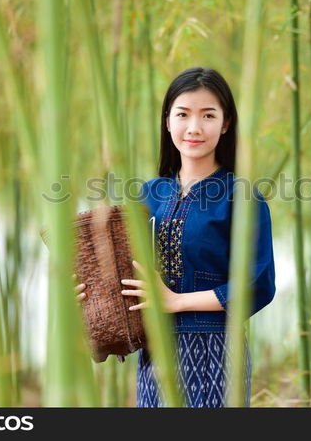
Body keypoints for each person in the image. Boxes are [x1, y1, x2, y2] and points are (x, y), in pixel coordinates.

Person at [77, 67, 276, 407]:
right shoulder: (148, 195)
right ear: (167, 121)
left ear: (225, 124)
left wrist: (177, 301)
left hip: (216, 350)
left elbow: (258, 283)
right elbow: (123, 272)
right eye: (183, 114)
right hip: (155, 353)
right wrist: (86, 289)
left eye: (208, 115)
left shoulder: (241, 196)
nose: (194, 127)